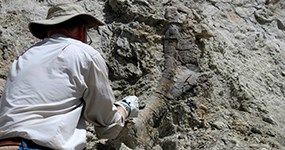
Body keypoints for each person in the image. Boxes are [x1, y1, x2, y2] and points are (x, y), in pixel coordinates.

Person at [0, 3, 139, 150]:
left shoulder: (23, 58)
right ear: (81, 30)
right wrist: (124, 108)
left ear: (49, 31)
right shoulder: (85, 54)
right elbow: (106, 123)